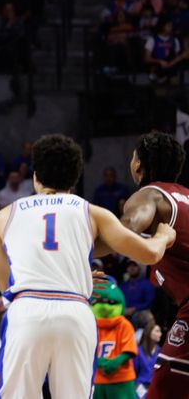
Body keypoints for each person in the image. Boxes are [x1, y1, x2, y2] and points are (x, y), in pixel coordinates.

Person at [0, 134, 176, 398]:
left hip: (26, 310)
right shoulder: (92, 212)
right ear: (76, 178)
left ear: (35, 177)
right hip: (74, 313)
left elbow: (3, 282)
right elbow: (149, 254)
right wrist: (163, 236)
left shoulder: (4, 216)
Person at [93, 131, 189, 398]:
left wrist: (77, 248)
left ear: (138, 165)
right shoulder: (185, 199)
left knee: (162, 390)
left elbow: (125, 232)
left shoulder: (150, 195)